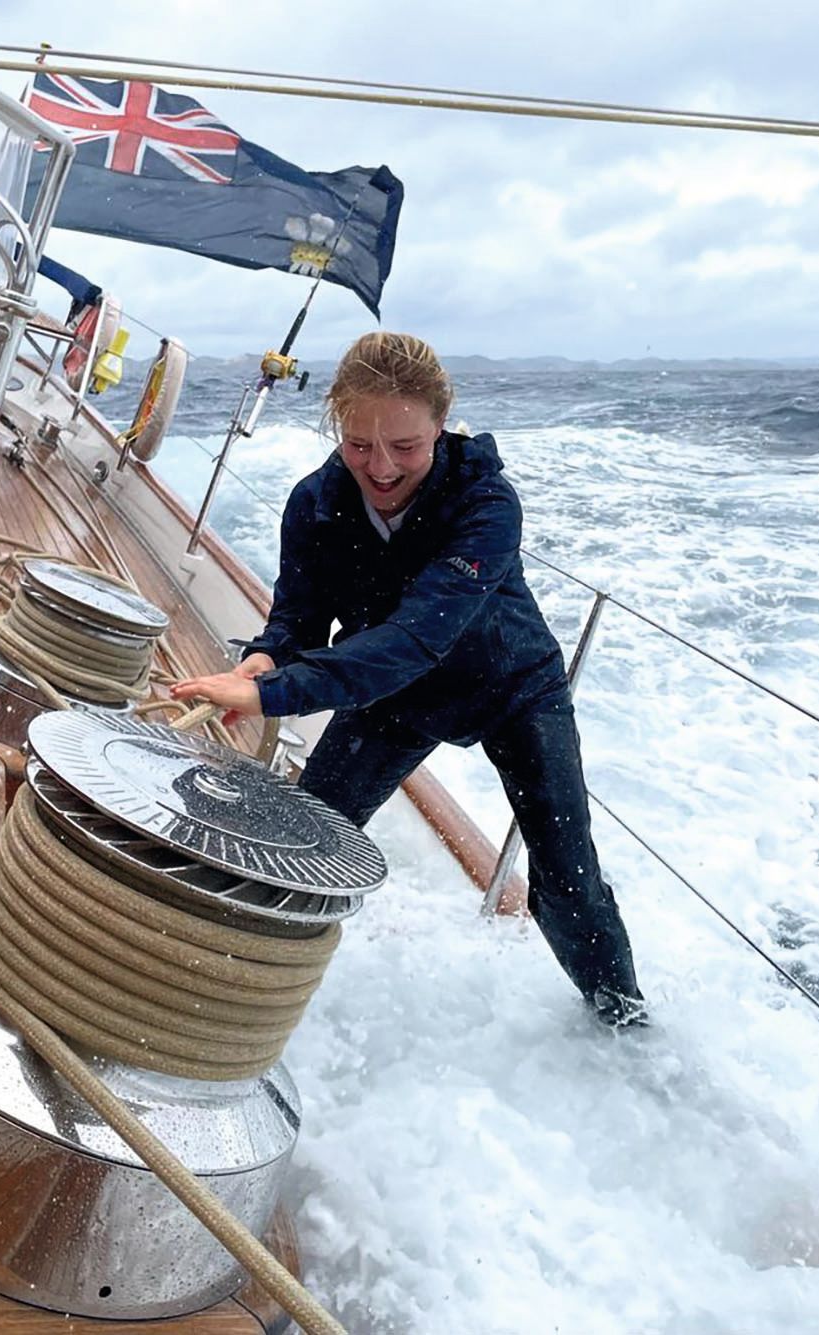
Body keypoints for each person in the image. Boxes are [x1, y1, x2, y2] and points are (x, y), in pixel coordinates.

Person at [170, 332, 646, 1027]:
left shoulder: (486, 505)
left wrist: (273, 695)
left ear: (441, 427)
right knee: (305, 839)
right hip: (395, 697)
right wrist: (266, 659)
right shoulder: (315, 503)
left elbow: (419, 635)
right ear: (337, 425)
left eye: (406, 446)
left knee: (569, 883)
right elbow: (298, 618)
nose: (382, 467)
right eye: (360, 444)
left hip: (513, 690)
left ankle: (624, 1022)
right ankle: (233, 996)